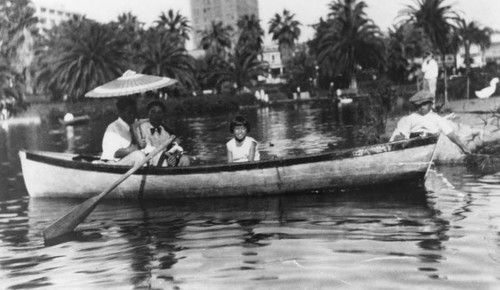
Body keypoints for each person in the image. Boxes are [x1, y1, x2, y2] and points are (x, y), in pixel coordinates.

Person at [390, 90, 471, 155]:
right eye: (419, 105)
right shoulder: (410, 118)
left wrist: (462, 146)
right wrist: (400, 139)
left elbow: (450, 133)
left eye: (424, 104)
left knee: (430, 136)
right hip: (413, 145)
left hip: (429, 142)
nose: (421, 107)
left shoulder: (436, 118)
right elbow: (402, 133)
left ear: (430, 105)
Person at [136, 100, 190, 167]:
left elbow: (174, 149)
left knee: (185, 159)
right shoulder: (140, 130)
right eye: (153, 112)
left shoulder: (167, 132)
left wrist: (173, 157)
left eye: (159, 112)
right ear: (148, 114)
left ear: (163, 114)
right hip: (149, 162)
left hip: (165, 161)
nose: (156, 115)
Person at [101, 96, 147, 165]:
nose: (133, 115)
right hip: (113, 165)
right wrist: (137, 147)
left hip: (128, 165)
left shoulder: (132, 126)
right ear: (120, 112)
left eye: (134, 112)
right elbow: (116, 153)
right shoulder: (113, 128)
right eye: (129, 112)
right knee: (139, 155)